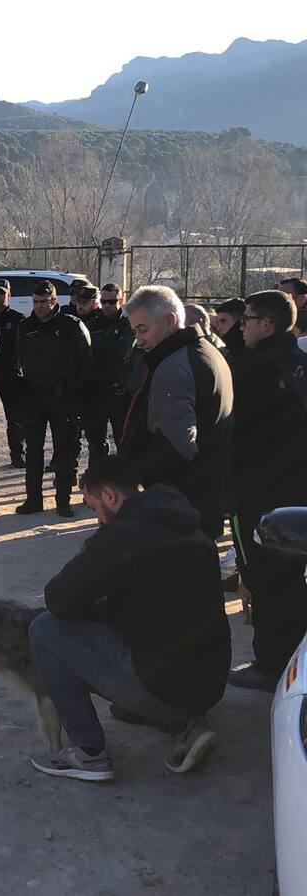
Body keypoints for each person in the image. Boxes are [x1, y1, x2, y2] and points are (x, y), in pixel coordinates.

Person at [28, 457, 230, 781]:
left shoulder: (121, 537)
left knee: (44, 629)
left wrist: (95, 601)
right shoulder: (187, 523)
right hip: (209, 684)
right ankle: (185, 722)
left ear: (109, 495)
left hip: (164, 686)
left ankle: (88, 754)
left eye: (93, 507)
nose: (97, 518)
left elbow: (58, 599)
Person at [226, 290, 307, 691]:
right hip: (295, 491)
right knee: (292, 575)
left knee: (261, 576)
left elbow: (232, 432)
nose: (242, 326)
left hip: (258, 492)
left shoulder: (253, 370)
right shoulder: (299, 363)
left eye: (247, 319)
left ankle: (270, 662)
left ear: (267, 324)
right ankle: (291, 657)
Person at [119, 286, 233, 538]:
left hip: (181, 499)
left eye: (143, 329)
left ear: (170, 321)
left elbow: (177, 445)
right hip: (204, 492)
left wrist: (131, 477)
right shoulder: (205, 351)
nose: (139, 340)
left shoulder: (175, 366)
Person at [15, 281, 92, 517]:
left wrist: (74, 388)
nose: (39, 307)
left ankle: (63, 501)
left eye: (43, 302)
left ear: (54, 301)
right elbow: (18, 361)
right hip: (35, 398)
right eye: (35, 302)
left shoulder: (71, 325)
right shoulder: (25, 327)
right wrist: (24, 393)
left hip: (64, 397)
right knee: (34, 451)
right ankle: (34, 500)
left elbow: (86, 361)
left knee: (64, 451)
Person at [79, 282, 135, 463]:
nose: (108, 306)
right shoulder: (92, 323)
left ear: (122, 300)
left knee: (123, 441)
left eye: (112, 301)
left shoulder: (129, 324)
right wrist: (104, 351)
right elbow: (84, 351)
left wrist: (98, 351)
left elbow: (121, 350)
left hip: (118, 392)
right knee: (95, 443)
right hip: (94, 391)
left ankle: (124, 483)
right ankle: (97, 481)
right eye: (104, 302)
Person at [0, 279, 26, 469]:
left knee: (15, 418)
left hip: (11, 375)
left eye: (2, 292)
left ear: (9, 295)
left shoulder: (18, 319)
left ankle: (18, 454)